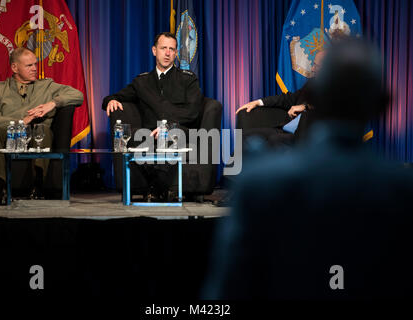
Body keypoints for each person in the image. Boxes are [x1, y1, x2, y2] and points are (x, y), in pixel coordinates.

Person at [203, 39, 413, 300]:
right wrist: (258, 102)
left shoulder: (260, 185)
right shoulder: (403, 191)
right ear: (384, 104)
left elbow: (229, 289)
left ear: (317, 95)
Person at [102, 32, 203, 201]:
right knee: (130, 138)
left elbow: (193, 111)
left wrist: (168, 125)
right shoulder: (141, 82)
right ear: (154, 50)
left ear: (176, 53)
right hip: (148, 132)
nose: (168, 53)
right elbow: (117, 95)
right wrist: (110, 100)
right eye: (164, 48)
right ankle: (157, 187)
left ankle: (156, 188)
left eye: (172, 49)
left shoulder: (188, 79)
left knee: (168, 135)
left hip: (178, 128)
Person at [0, 47, 84, 205]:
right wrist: (22, 121)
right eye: (29, 65)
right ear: (15, 68)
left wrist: (53, 103)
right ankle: (2, 187)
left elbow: (78, 95)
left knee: (41, 129)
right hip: (9, 132)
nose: (35, 68)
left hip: (37, 133)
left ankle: (38, 185)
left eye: (35, 64)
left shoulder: (46, 85)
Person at [236, 50, 327, 149]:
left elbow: (333, 109)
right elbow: (287, 98)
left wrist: (306, 107)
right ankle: (232, 165)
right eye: (313, 64)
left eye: (317, 66)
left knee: (275, 141)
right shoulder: (312, 84)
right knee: (245, 137)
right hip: (284, 130)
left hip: (303, 139)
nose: (313, 69)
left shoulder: (338, 90)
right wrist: (257, 102)